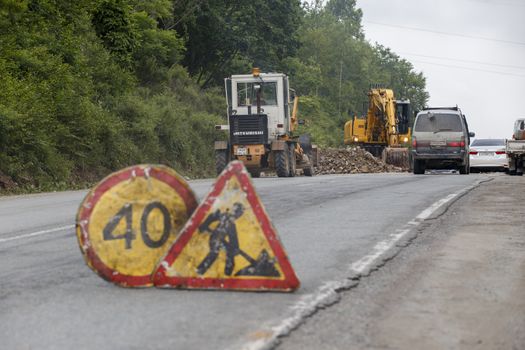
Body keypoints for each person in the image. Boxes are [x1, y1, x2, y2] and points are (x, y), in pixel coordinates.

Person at [196, 203, 244, 276]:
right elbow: (212, 216)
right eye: (238, 212)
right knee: (214, 254)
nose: (238, 215)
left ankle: (227, 272)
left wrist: (235, 247)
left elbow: (233, 237)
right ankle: (200, 271)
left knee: (227, 253)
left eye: (239, 213)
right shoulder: (227, 218)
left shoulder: (230, 221)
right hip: (215, 240)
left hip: (219, 240)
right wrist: (203, 226)